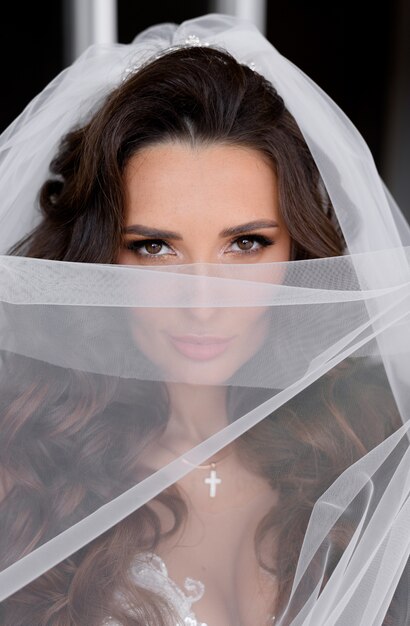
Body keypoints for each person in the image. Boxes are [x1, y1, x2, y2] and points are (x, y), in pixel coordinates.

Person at [0, 13, 409, 626]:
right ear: (97, 260)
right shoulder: (28, 474)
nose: (203, 302)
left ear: (298, 251)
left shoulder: (370, 446)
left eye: (245, 244)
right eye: (153, 247)